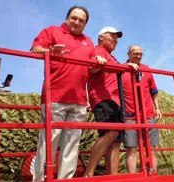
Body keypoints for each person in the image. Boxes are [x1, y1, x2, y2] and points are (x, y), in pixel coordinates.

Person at [30, 6, 105, 180]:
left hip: (79, 100)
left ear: (86, 24)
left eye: (81, 20)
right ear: (66, 18)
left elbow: (91, 69)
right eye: (74, 18)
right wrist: (49, 52)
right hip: (54, 96)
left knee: (72, 146)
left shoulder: (88, 41)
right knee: (48, 143)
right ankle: (40, 179)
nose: (77, 22)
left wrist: (98, 62)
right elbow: (34, 50)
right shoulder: (52, 31)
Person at [84, 26, 138, 177]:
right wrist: (125, 66)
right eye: (112, 36)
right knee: (111, 132)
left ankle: (112, 177)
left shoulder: (111, 56)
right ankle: (88, 173)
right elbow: (94, 67)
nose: (115, 40)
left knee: (115, 141)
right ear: (101, 37)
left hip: (114, 101)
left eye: (117, 38)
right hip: (103, 98)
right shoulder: (98, 51)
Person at [122, 45, 162, 173]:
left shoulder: (146, 69)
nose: (138, 56)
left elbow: (154, 91)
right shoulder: (121, 69)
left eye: (140, 54)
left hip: (148, 114)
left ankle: (153, 175)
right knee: (131, 149)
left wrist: (157, 108)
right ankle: (132, 178)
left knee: (152, 148)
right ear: (128, 54)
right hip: (130, 115)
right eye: (135, 53)